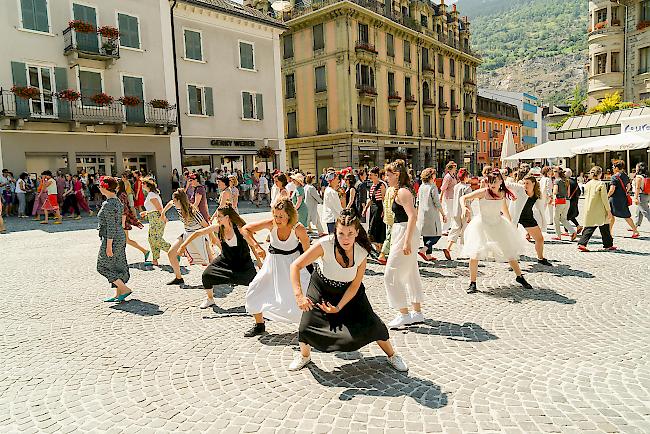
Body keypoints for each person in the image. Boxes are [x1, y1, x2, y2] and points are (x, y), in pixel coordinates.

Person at [287, 209, 408, 372]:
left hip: (350, 292)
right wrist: (298, 296)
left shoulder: (361, 251)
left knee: (374, 325)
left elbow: (355, 285)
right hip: (321, 287)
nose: (345, 238)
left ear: (357, 232)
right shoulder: (325, 244)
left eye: (350, 233)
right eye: (341, 233)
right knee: (306, 326)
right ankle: (304, 356)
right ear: (335, 231)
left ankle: (392, 355)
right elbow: (295, 265)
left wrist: (338, 308)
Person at [242, 198, 311, 337]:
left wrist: (308, 269)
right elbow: (245, 229)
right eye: (275, 215)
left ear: (289, 215)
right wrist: (256, 246)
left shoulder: (298, 229)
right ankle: (259, 325)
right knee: (254, 290)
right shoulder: (271, 224)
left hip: (293, 266)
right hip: (272, 264)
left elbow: (308, 252)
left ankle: (309, 327)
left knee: (303, 296)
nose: (278, 220)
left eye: (281, 216)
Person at [460, 169, 533, 294]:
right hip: (482, 225)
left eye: (494, 181)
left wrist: (511, 224)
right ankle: (472, 283)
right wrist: (464, 208)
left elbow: (504, 208)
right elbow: (464, 197)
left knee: (509, 251)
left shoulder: (502, 193)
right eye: (490, 181)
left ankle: (519, 277)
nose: (492, 184)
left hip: (498, 224)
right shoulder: (483, 192)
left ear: (500, 181)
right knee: (475, 253)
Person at [180, 204, 262, 309]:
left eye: (219, 216)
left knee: (255, 282)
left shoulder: (240, 229)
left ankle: (259, 301)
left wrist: (259, 261)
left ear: (227, 217)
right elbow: (198, 233)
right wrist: (183, 245)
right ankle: (210, 299)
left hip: (243, 262)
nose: (217, 219)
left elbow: (252, 245)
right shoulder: (219, 228)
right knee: (206, 275)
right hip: (225, 260)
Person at [383, 160, 423, 329]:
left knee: (390, 274)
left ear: (397, 175)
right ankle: (417, 312)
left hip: (405, 231)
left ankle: (404, 313)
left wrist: (406, 242)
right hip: (403, 231)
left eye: (388, 174)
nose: (386, 177)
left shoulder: (403, 192)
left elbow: (412, 216)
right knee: (411, 271)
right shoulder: (400, 191)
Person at [162, 189, 213, 285]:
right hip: (186, 234)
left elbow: (206, 226)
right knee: (171, 253)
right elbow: (169, 203)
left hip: (198, 235)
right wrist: (163, 213)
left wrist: (211, 239)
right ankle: (178, 278)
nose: (173, 202)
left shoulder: (193, 211)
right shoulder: (177, 206)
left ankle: (220, 277)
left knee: (209, 259)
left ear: (179, 201)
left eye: (174, 200)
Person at [96, 176, 133, 302]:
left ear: (104, 188)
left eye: (100, 186)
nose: (99, 188)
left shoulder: (108, 204)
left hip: (112, 238)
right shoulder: (117, 200)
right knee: (117, 265)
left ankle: (125, 288)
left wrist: (108, 245)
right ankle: (118, 294)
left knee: (102, 266)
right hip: (120, 235)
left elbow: (111, 226)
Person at [508, 174, 552, 266]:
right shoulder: (520, 189)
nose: (525, 185)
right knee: (512, 239)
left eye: (527, 183)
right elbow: (506, 184)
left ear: (534, 183)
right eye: (524, 183)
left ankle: (540, 258)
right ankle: (513, 261)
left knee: (540, 239)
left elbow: (540, 209)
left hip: (528, 217)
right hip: (515, 217)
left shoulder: (536, 194)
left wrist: (543, 222)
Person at [578, 166, 616, 251]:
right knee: (604, 226)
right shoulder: (601, 184)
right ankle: (608, 245)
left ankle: (582, 243)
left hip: (589, 207)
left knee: (590, 226)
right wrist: (608, 210)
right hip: (599, 209)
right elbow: (604, 198)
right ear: (600, 174)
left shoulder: (587, 184)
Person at [416, 168, 447, 261]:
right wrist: (443, 214)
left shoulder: (421, 187)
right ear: (431, 176)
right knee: (437, 235)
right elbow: (437, 202)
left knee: (426, 235)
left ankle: (428, 256)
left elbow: (417, 201)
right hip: (431, 213)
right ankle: (424, 250)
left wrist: (417, 213)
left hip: (422, 213)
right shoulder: (432, 187)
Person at [443, 168, 473, 260]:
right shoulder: (467, 188)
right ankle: (464, 252)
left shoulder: (456, 186)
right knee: (466, 231)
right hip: (465, 211)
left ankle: (448, 247)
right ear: (466, 177)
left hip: (456, 211)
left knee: (455, 229)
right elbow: (468, 201)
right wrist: (469, 213)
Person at [139, 178, 171, 266]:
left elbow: (159, 208)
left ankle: (174, 251)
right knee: (151, 239)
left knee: (155, 239)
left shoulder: (152, 195)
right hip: (154, 219)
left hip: (157, 219)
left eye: (143, 184)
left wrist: (164, 217)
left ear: (147, 185)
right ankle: (155, 260)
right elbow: (153, 208)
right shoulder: (151, 194)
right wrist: (146, 212)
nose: (142, 185)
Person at [116, 180, 149, 263]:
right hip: (122, 220)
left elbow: (124, 209)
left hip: (123, 220)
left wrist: (123, 223)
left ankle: (145, 251)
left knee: (124, 240)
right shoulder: (120, 194)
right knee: (125, 240)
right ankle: (144, 251)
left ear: (119, 186)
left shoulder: (121, 195)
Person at [608, 160, 640, 238]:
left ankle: (609, 232)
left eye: (613, 167)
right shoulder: (625, 175)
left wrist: (607, 196)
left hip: (614, 199)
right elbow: (628, 186)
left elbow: (612, 189)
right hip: (623, 198)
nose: (612, 168)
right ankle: (635, 231)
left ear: (616, 168)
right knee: (626, 215)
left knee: (611, 215)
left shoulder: (614, 177)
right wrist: (624, 192)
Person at [363, 167, 386, 253]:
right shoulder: (372, 186)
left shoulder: (381, 185)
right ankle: (378, 248)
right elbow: (371, 199)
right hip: (373, 208)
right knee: (373, 227)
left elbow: (384, 198)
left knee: (376, 227)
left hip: (379, 208)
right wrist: (365, 208)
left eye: (371, 175)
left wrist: (384, 210)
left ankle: (379, 247)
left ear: (376, 175)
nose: (369, 176)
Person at [551, 167, 577, 241]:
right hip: (567, 201)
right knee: (563, 218)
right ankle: (572, 231)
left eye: (554, 172)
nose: (553, 173)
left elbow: (555, 192)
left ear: (557, 172)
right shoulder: (566, 180)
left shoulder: (557, 181)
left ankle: (558, 235)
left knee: (556, 219)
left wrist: (553, 198)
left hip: (559, 200)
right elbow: (568, 193)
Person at [439, 161, 458, 234]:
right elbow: (443, 188)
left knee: (452, 213)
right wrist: (441, 197)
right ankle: (444, 229)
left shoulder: (453, 175)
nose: (455, 169)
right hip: (448, 197)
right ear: (451, 168)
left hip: (452, 197)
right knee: (448, 213)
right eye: (454, 167)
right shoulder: (448, 177)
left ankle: (449, 227)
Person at [564, 168, 582, 234]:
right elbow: (579, 192)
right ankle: (578, 226)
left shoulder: (566, 181)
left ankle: (566, 231)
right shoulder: (575, 181)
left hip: (568, 201)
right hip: (575, 201)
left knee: (565, 216)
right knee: (570, 216)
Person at [633, 162, 650, 227]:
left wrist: (636, 197)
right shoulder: (646, 176)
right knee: (639, 211)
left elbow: (637, 187)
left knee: (646, 212)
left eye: (636, 167)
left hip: (641, 196)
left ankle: (635, 226)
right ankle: (635, 225)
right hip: (647, 195)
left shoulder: (639, 177)